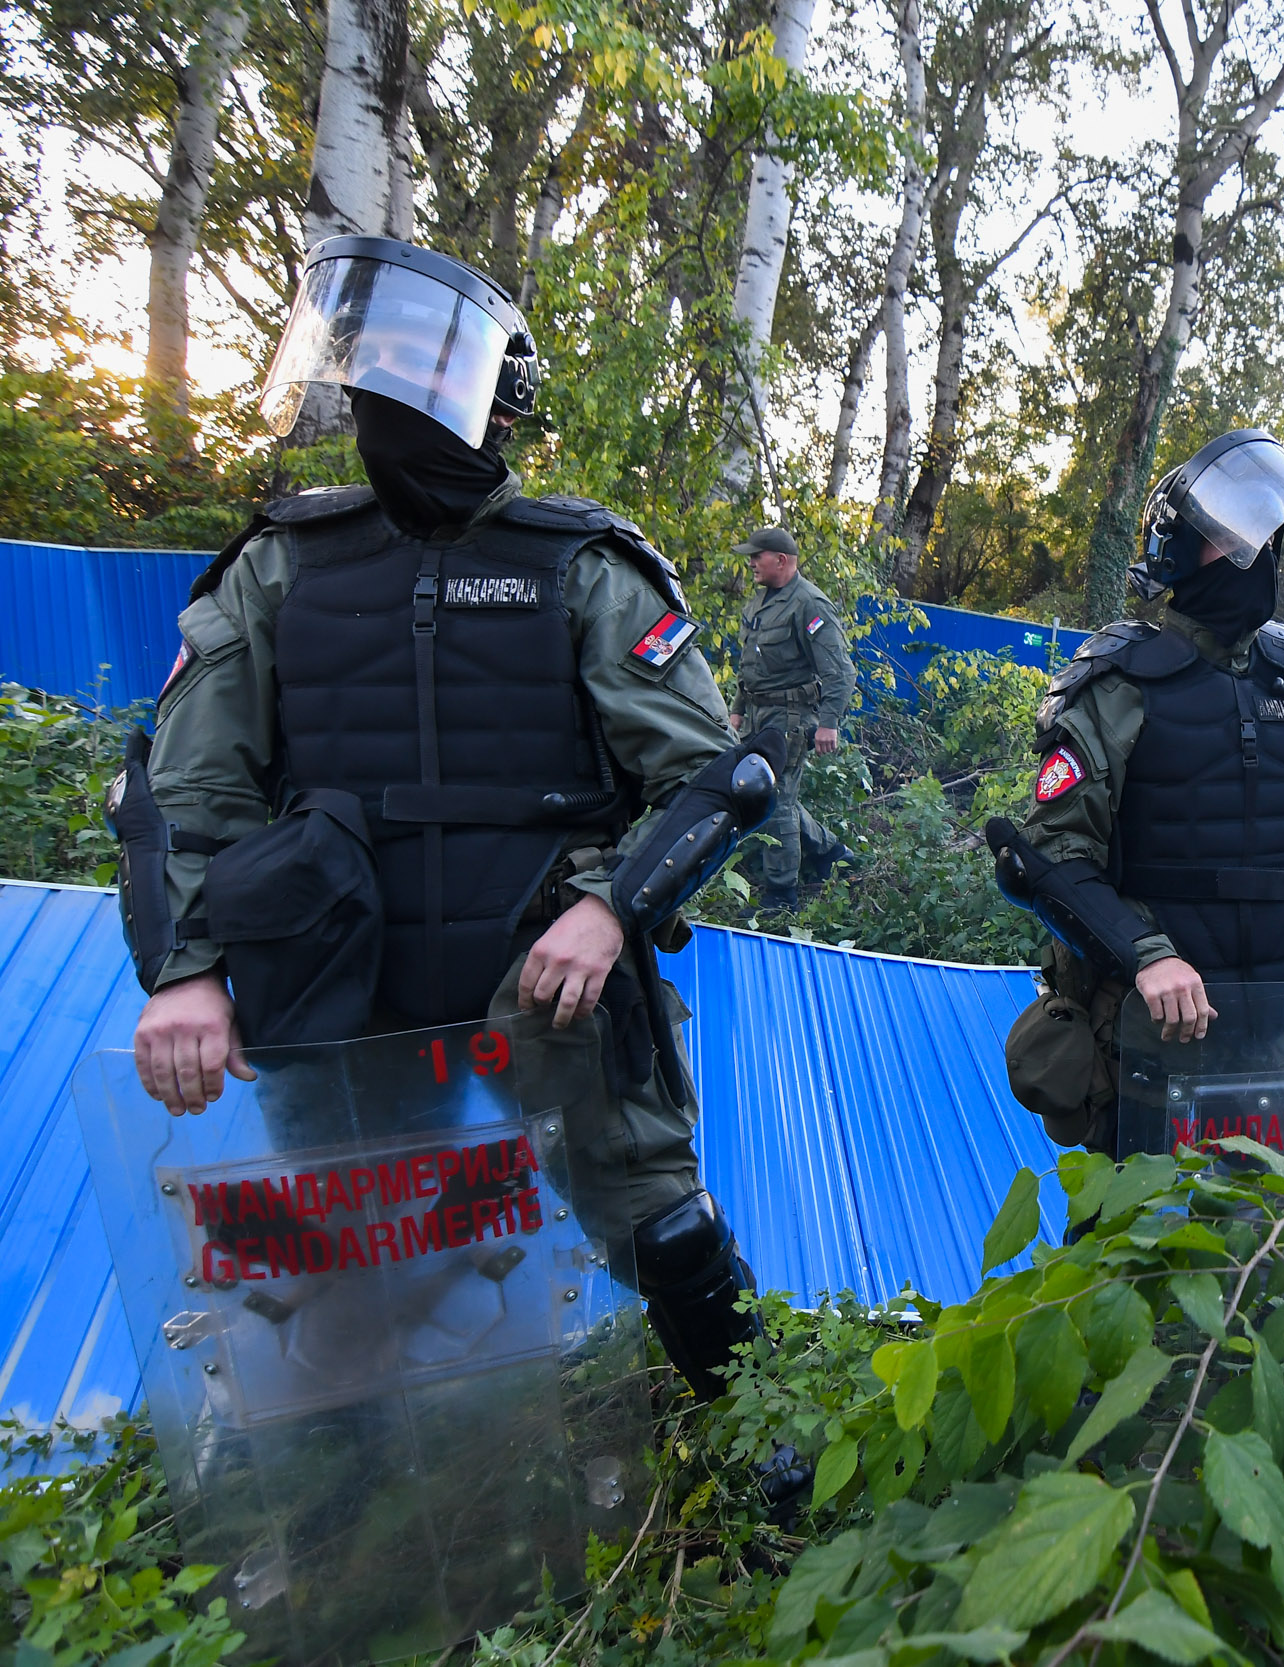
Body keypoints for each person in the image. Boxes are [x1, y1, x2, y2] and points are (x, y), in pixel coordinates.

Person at [110, 239, 806, 1504]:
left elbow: (720, 774)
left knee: (661, 1218)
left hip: (547, 972)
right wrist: (189, 970)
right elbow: (177, 789)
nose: (382, 399)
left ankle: (773, 1457)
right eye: (368, 369)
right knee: (342, 1249)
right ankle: (358, 1507)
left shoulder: (583, 565)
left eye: (414, 374)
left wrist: (610, 911)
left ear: (487, 399)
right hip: (335, 975)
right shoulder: (280, 567)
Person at [986, 429, 1284, 1153]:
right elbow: (1051, 853)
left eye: (1264, 540)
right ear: (1179, 551)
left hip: (1280, 1045)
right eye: (1230, 539)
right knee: (1132, 1251)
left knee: (1283, 1244)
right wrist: (1148, 953)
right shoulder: (1116, 683)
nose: (1252, 558)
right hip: (1146, 1041)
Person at [731, 525, 856, 912]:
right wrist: (737, 708)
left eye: (757, 556)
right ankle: (831, 851)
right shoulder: (761, 603)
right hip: (757, 713)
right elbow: (750, 662)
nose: (751, 562)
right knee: (771, 793)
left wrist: (829, 722)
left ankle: (781, 895)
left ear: (781, 560)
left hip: (789, 717)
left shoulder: (809, 605)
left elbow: (840, 671)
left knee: (777, 798)